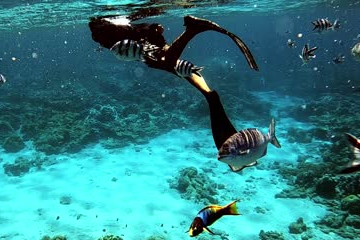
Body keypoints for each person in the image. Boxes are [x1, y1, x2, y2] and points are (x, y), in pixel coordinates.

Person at [89, 15, 259, 151]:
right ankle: (208, 93)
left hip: (145, 45)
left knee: (171, 63)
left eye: (95, 36)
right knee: (177, 67)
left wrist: (150, 29)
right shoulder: (105, 31)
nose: (94, 39)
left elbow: (130, 28)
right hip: (144, 46)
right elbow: (131, 27)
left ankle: (193, 29)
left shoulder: (104, 31)